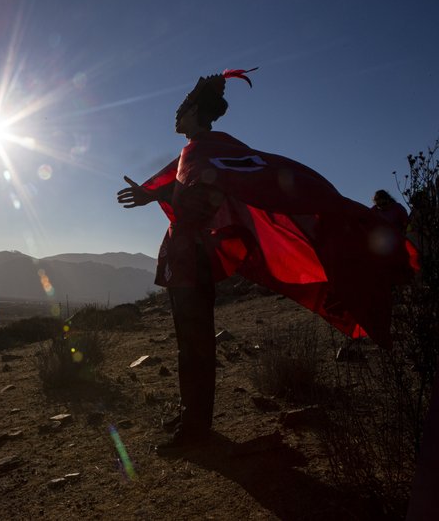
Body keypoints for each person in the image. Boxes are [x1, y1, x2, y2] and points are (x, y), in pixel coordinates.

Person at [118, 67, 417, 448]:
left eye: (183, 107)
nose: (176, 114)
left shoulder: (209, 149)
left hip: (195, 260)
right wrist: (155, 193)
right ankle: (189, 412)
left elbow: (199, 203)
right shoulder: (192, 152)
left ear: (196, 112)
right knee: (187, 343)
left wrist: (156, 196)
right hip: (183, 258)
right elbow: (185, 191)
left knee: (196, 344)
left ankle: (195, 428)